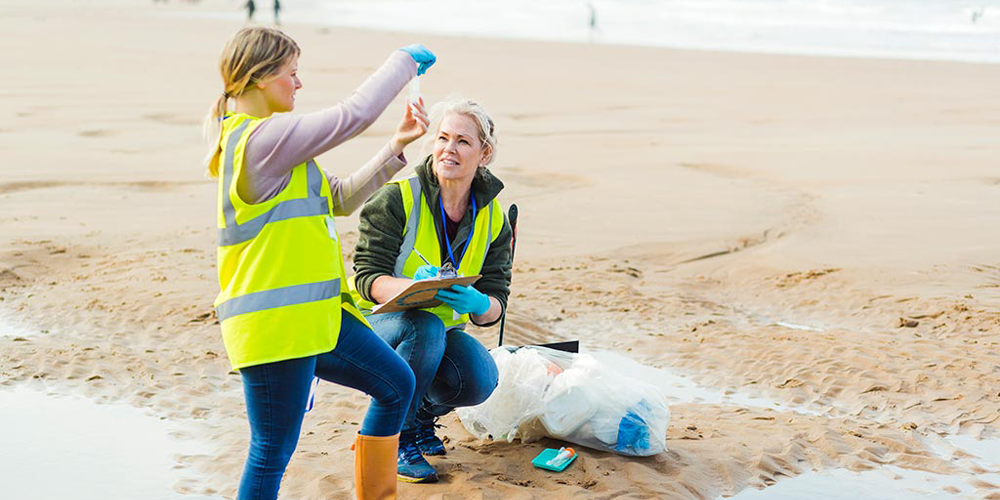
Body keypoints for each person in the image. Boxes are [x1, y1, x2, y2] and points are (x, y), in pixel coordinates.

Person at [203, 27, 436, 500]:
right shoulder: (261, 140)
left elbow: (341, 198)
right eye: (292, 73)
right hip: (276, 329)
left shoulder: (275, 146)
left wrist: (395, 148)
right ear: (261, 78)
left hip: (317, 319)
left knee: (396, 384)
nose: (299, 84)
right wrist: (403, 61)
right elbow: (353, 114)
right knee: (271, 451)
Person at [350, 98, 511, 483]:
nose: (448, 149)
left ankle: (420, 415)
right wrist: (412, 287)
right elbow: (366, 278)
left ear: (484, 153)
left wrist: (478, 302)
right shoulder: (396, 198)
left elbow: (495, 305)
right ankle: (399, 437)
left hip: (438, 335)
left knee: (480, 377)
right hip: (379, 329)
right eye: (442, 138)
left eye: (462, 142)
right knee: (424, 328)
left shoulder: (493, 218)